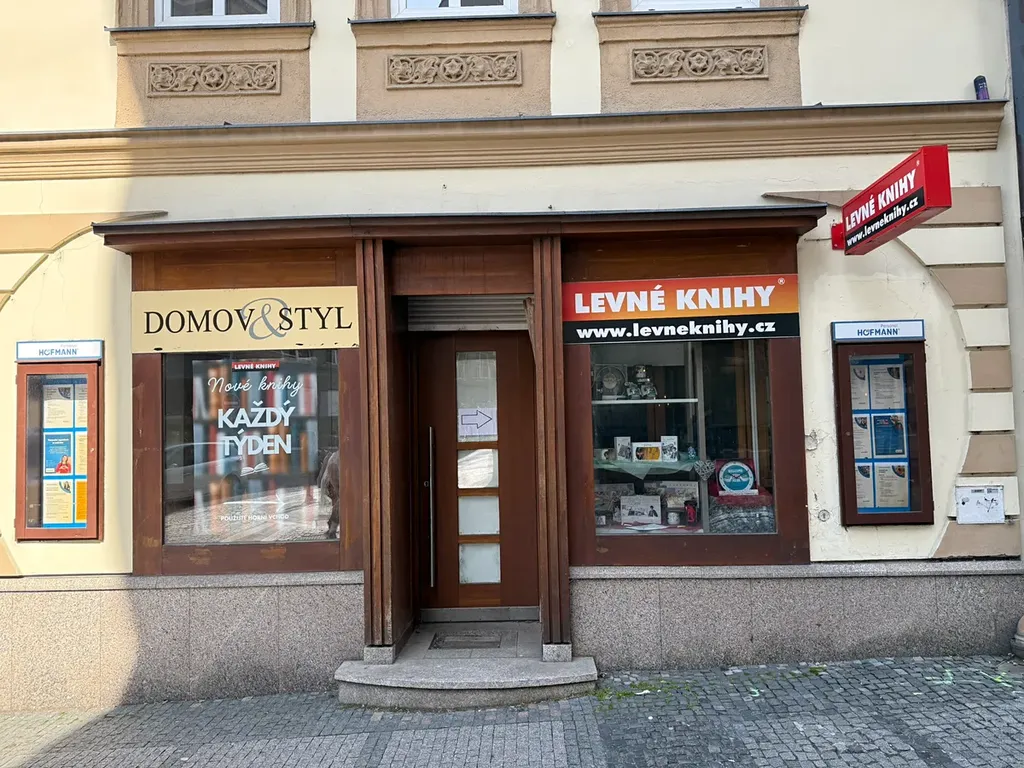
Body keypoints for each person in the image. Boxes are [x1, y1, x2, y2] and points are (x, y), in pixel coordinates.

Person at [318, 450, 340, 539]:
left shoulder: (334, 457)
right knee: (342, 500)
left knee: (340, 500)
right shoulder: (336, 458)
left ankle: (332, 528)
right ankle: (332, 528)